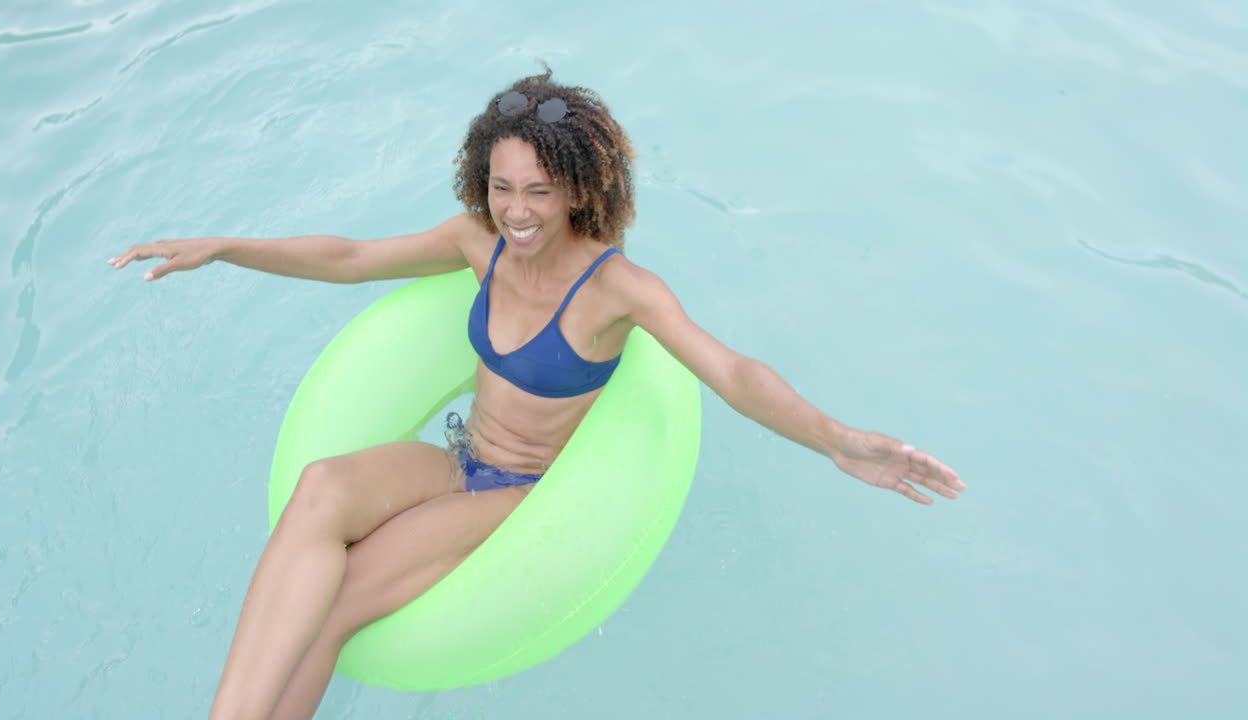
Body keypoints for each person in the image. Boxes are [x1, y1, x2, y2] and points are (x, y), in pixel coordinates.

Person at [110, 69, 965, 720]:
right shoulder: (476, 243)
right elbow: (351, 258)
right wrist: (225, 247)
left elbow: (732, 371)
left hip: (521, 495)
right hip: (460, 460)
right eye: (501, 186)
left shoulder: (617, 290)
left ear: (578, 189)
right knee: (321, 485)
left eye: (537, 191)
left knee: (336, 603)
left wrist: (837, 440)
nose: (515, 211)